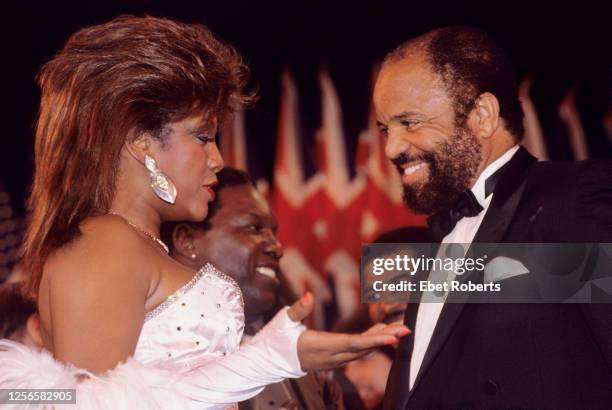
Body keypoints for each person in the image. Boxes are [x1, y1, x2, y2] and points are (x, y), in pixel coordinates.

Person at [0, 15, 409, 409]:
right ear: (142, 143)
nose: (216, 158)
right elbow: (86, 405)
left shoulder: (130, 243)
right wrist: (268, 359)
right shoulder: (105, 242)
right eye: (203, 137)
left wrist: (280, 355)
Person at [374, 26, 612, 409]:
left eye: (410, 122)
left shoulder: (572, 201)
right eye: (385, 128)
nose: (391, 147)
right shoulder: (437, 243)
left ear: (482, 115)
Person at [165, 166, 346, 410]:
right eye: (254, 228)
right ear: (188, 241)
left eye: (273, 232)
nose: (277, 247)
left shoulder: (302, 364)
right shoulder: (145, 355)